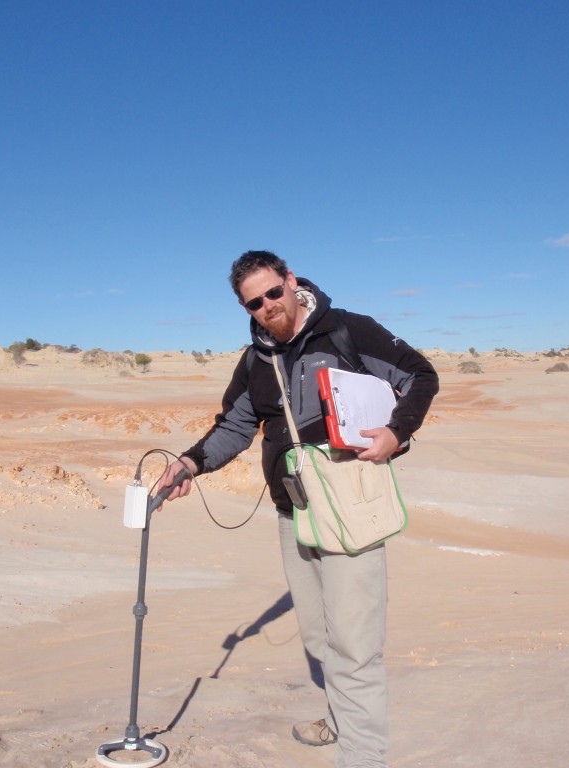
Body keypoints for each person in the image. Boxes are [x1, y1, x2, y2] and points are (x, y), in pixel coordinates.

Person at [155, 250, 439, 768]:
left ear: (290, 281)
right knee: (318, 634)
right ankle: (341, 719)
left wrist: (397, 432)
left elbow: (420, 376)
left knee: (355, 645)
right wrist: (190, 463)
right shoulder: (255, 360)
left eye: (273, 292)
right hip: (294, 512)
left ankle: (362, 756)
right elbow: (234, 426)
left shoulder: (348, 331)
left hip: (351, 506)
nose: (267, 306)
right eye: (253, 302)